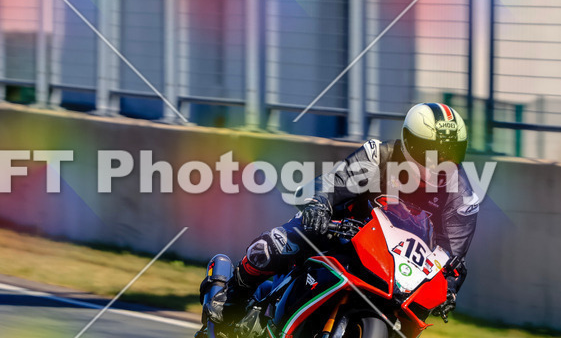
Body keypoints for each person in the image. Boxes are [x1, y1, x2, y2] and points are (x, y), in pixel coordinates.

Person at [204, 102, 479, 325]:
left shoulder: (462, 196)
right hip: (342, 231)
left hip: (397, 268)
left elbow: (452, 254)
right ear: (409, 142)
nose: (441, 161)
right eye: (431, 151)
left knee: (416, 315)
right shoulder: (380, 156)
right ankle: (230, 299)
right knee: (275, 245)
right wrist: (318, 204)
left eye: (450, 152)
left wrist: (450, 288)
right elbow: (332, 182)